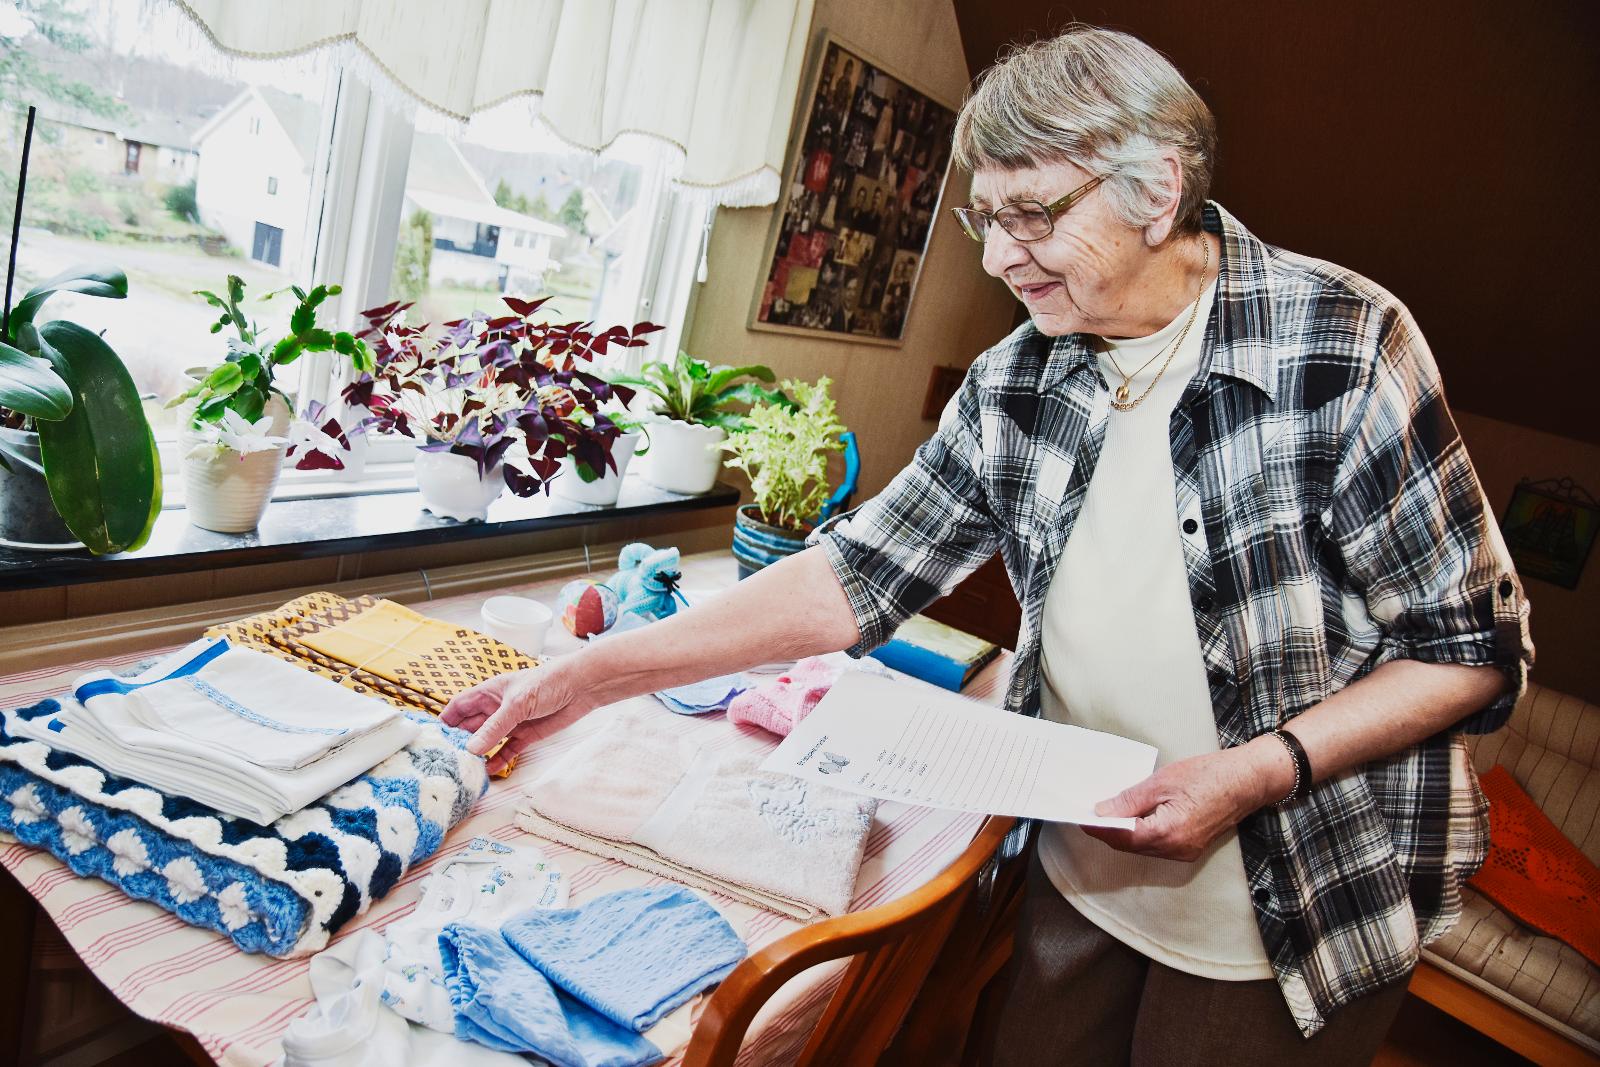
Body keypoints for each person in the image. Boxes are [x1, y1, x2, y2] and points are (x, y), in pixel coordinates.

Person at [443, 23, 1533, 1065]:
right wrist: (591, 674)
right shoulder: (1017, 377)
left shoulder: (1342, 343)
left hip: (1291, 888)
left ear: (1156, 191)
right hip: (1074, 858)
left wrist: (1252, 773)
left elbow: (1469, 646)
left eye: (1033, 215)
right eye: (984, 220)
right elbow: (856, 574)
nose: (1002, 256)